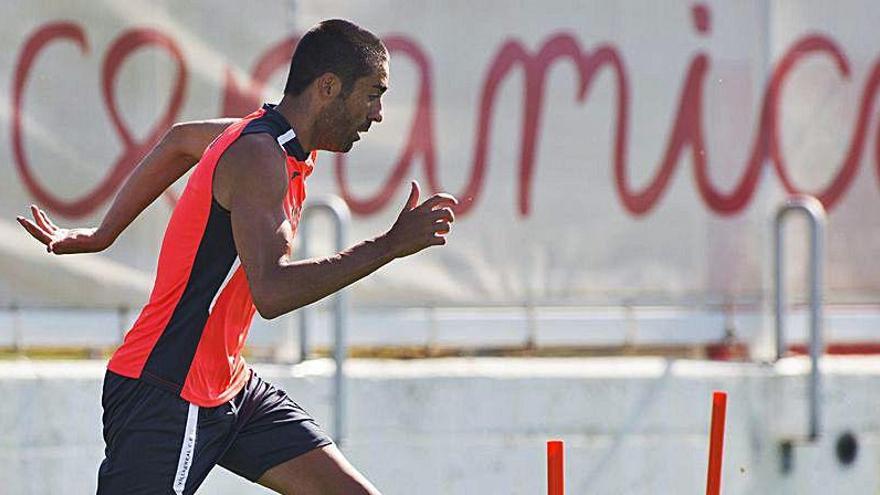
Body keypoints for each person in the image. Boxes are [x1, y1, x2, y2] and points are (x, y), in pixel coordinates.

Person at [17, 19, 456, 495]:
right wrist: (388, 246)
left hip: (227, 387)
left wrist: (104, 234)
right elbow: (271, 291)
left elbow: (181, 140)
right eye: (373, 94)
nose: (378, 114)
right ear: (328, 87)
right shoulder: (258, 157)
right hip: (168, 391)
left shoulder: (269, 140)